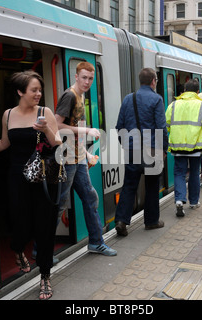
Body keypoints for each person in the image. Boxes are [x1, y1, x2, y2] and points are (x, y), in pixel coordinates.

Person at [0, 70, 62, 300]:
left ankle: (44, 277)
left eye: (40, 90)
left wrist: (46, 130)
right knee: (19, 222)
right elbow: (4, 143)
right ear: (20, 92)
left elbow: (57, 142)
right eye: (34, 90)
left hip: (42, 178)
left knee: (44, 227)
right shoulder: (8, 115)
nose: (38, 94)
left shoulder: (45, 112)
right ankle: (18, 250)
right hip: (16, 177)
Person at [55, 61, 117, 256]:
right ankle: (42, 249)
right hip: (67, 159)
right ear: (76, 77)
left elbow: (73, 130)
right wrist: (87, 130)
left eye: (90, 78)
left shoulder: (80, 96)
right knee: (60, 204)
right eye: (84, 77)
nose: (87, 82)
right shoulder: (69, 96)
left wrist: (86, 153)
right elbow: (57, 126)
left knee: (90, 197)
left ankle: (96, 242)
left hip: (77, 156)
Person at [115, 68, 168, 236]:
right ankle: (151, 221)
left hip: (132, 149)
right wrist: (163, 149)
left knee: (129, 185)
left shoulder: (128, 99)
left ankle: (121, 221)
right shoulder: (156, 99)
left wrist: (126, 144)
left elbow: (119, 126)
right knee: (152, 185)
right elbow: (161, 127)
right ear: (153, 81)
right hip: (151, 149)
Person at [165, 79, 202, 217]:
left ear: (183, 91)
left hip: (178, 146)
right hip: (196, 147)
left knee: (179, 173)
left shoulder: (173, 105)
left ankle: (179, 200)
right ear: (197, 92)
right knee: (194, 173)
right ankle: (194, 202)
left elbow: (166, 124)